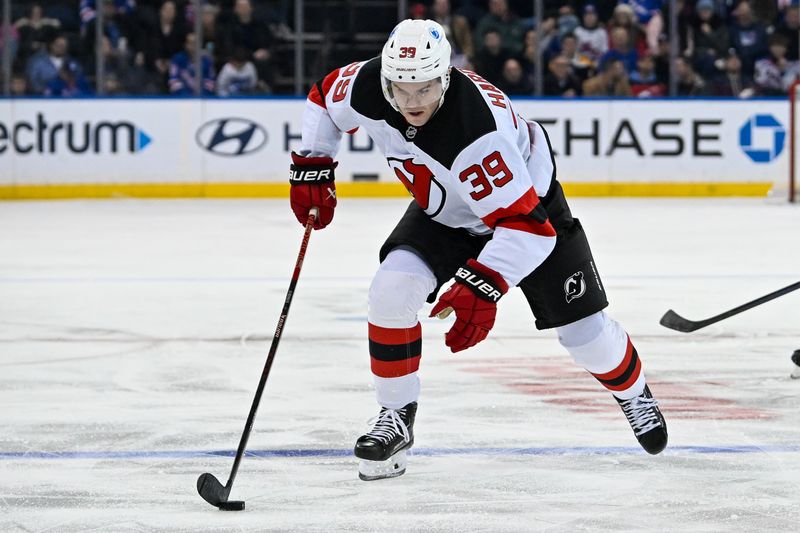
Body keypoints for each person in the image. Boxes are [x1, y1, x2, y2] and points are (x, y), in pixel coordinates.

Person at [288, 19, 668, 481]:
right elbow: (324, 97)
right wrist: (314, 163)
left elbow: (527, 229)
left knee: (584, 336)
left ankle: (633, 393)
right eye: (401, 89)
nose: (412, 103)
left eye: (425, 89)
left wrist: (482, 286)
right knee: (390, 290)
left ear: (446, 77)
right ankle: (394, 418)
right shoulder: (369, 84)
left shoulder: (476, 132)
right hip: (446, 211)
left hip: (529, 211)